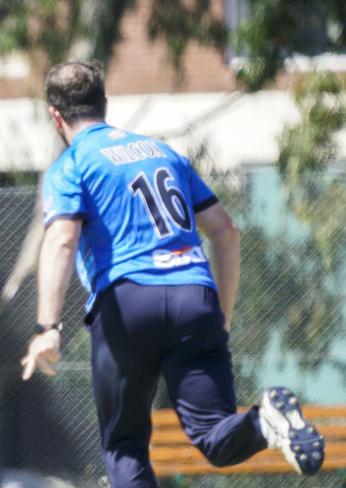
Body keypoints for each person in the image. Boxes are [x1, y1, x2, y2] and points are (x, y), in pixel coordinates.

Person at [20, 61, 325, 487]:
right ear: (104, 104)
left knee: (124, 447)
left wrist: (47, 326)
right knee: (215, 437)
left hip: (128, 303)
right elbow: (226, 232)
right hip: (194, 295)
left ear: (55, 117)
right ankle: (263, 423)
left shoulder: (72, 165)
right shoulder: (163, 153)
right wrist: (220, 317)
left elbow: (62, 240)